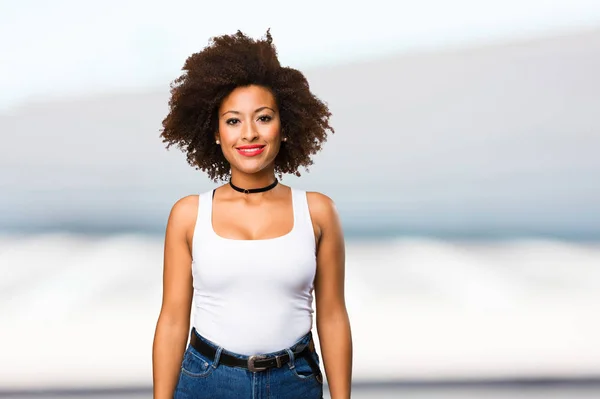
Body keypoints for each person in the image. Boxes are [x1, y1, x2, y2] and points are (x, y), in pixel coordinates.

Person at [152, 29, 352, 399]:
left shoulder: (318, 212)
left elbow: (333, 316)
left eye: (263, 118)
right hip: (206, 381)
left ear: (284, 128)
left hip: (295, 381)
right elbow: (173, 319)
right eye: (233, 121)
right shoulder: (188, 215)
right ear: (214, 133)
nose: (249, 134)